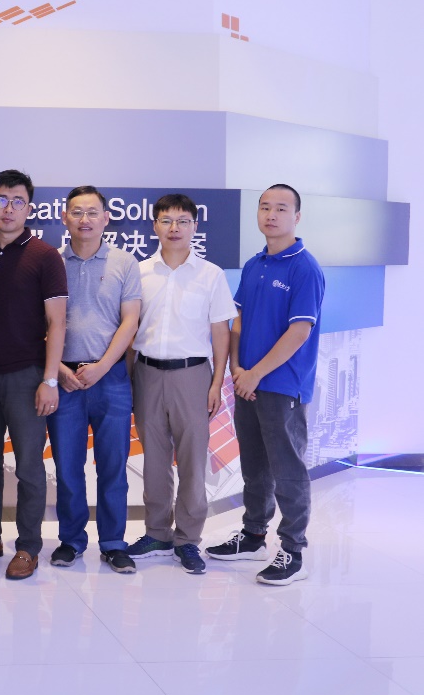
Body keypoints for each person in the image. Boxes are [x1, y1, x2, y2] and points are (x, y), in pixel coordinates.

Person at [207, 184, 325, 586]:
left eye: (281, 208)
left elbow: (299, 332)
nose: (271, 215)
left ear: (297, 216)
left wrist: (255, 373)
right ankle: (254, 535)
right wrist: (237, 368)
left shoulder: (304, 268)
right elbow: (238, 320)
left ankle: (293, 550)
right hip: (247, 382)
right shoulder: (254, 264)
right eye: (264, 207)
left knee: (287, 469)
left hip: (282, 385)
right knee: (255, 466)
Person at [0, 169, 67, 581]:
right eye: (1, 200)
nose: (9, 208)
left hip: (27, 377)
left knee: (28, 468)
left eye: (17, 201)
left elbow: (57, 322)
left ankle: (28, 547)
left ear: (29, 208)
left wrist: (50, 379)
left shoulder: (45, 256)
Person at [125, 194, 237, 575]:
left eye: (183, 221)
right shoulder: (138, 272)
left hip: (193, 375)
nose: (174, 228)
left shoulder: (211, 275)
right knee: (154, 460)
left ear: (194, 226)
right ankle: (157, 533)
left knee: (192, 460)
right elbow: (130, 330)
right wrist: (129, 379)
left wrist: (217, 383)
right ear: (154, 225)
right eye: (166, 220)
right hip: (147, 373)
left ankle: (188, 538)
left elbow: (221, 333)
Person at [45, 186, 141, 574]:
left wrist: (101, 366)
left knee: (113, 465)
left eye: (92, 212)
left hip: (111, 377)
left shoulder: (124, 262)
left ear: (105, 218)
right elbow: (37, 322)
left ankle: (114, 542)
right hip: (63, 377)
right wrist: (58, 370)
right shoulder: (50, 262)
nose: (84, 220)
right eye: (76, 212)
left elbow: (130, 321)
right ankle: (71, 540)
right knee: (68, 466)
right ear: (64, 218)